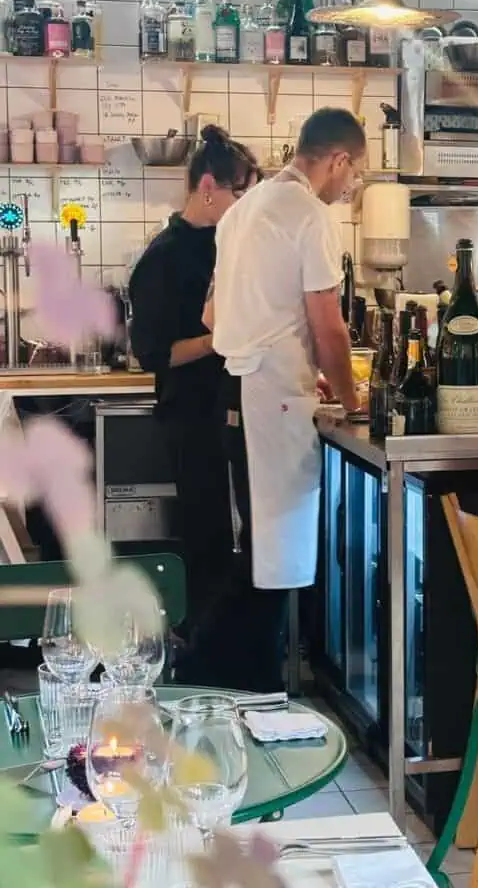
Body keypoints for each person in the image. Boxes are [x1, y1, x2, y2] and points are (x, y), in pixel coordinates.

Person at [210, 107, 366, 691]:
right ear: (338, 159)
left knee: (259, 545)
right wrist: (352, 402)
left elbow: (233, 309)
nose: (351, 187)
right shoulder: (309, 214)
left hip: (239, 387)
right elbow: (328, 327)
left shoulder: (245, 207)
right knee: (272, 554)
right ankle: (250, 687)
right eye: (354, 175)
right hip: (270, 397)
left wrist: (302, 366)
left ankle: (235, 678)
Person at [128, 125, 262, 681]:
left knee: (243, 542)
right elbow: (152, 355)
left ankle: (235, 656)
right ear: (208, 187)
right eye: (238, 193)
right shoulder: (162, 259)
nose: (243, 205)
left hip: (235, 412)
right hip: (191, 417)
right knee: (206, 540)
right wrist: (217, 339)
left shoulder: (229, 244)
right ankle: (202, 666)